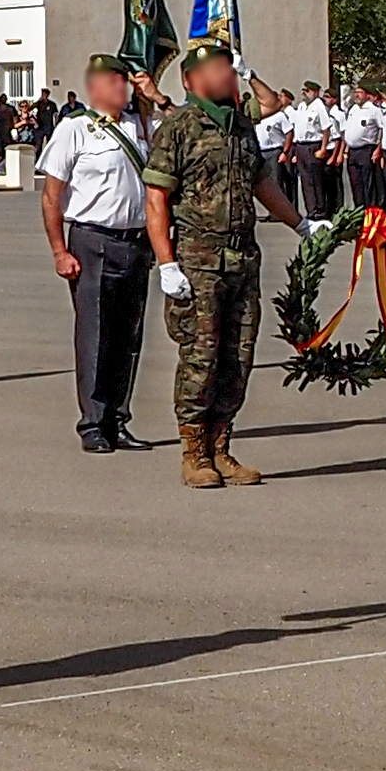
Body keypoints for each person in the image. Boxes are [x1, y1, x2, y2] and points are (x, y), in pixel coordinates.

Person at [148, 36, 304, 488]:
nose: (224, 75)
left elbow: (262, 183)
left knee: (238, 355)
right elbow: (156, 198)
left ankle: (221, 447)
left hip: (242, 256)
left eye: (226, 67)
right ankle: (193, 451)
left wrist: (301, 224)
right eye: (214, 69)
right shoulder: (178, 129)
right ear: (190, 80)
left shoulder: (239, 124)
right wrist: (167, 263)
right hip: (198, 257)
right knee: (201, 356)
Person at [35, 56, 157, 454]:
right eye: (114, 81)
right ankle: (92, 423)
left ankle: (118, 419)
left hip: (136, 242)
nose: (122, 89)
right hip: (92, 240)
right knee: (96, 334)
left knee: (128, 336)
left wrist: (153, 99)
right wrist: (58, 249)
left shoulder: (141, 126)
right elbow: (52, 195)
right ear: (95, 88)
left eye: (125, 82)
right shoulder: (76, 129)